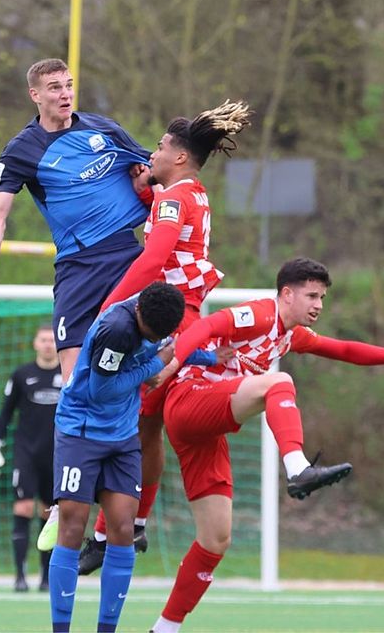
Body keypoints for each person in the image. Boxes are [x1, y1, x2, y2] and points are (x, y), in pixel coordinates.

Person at [148, 258, 384, 633]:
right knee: (278, 382)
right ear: (287, 294)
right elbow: (207, 324)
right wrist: (167, 364)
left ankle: (164, 629)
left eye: (322, 297)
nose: (319, 304)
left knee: (215, 539)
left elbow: (344, 350)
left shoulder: (289, 334)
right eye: (312, 295)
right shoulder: (257, 315)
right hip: (190, 400)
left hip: (206, 430)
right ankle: (298, 468)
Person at [79, 100, 253, 575]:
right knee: (145, 425)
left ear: (179, 156)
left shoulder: (177, 198)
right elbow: (159, 214)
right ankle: (127, 524)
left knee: (122, 414)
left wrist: (109, 307)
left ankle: (103, 525)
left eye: (159, 147)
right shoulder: (188, 194)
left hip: (167, 320)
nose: (152, 152)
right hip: (183, 315)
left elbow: (155, 258)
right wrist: (144, 184)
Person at [0, 57, 155, 384]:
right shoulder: (21, 152)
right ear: (35, 95)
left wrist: (145, 176)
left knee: (152, 364)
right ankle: (75, 433)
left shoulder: (104, 129)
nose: (65, 94)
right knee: (73, 374)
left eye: (68, 85)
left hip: (127, 254)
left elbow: (157, 169)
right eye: (54, 88)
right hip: (77, 266)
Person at [47, 281, 224, 633]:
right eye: (149, 333)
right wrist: (153, 367)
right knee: (72, 523)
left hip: (123, 436)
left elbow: (172, 347)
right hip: (81, 430)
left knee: (124, 529)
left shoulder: (164, 312)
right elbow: (102, 390)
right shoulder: (117, 329)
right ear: (139, 313)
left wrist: (210, 357)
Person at [0, 325, 62, 592]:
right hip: (26, 452)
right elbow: (6, 413)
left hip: (57, 453)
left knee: (49, 513)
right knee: (23, 508)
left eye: (52, 340)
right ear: (35, 343)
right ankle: (19, 575)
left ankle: (46, 577)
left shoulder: (69, 373)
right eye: (43, 340)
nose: (48, 344)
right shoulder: (21, 375)